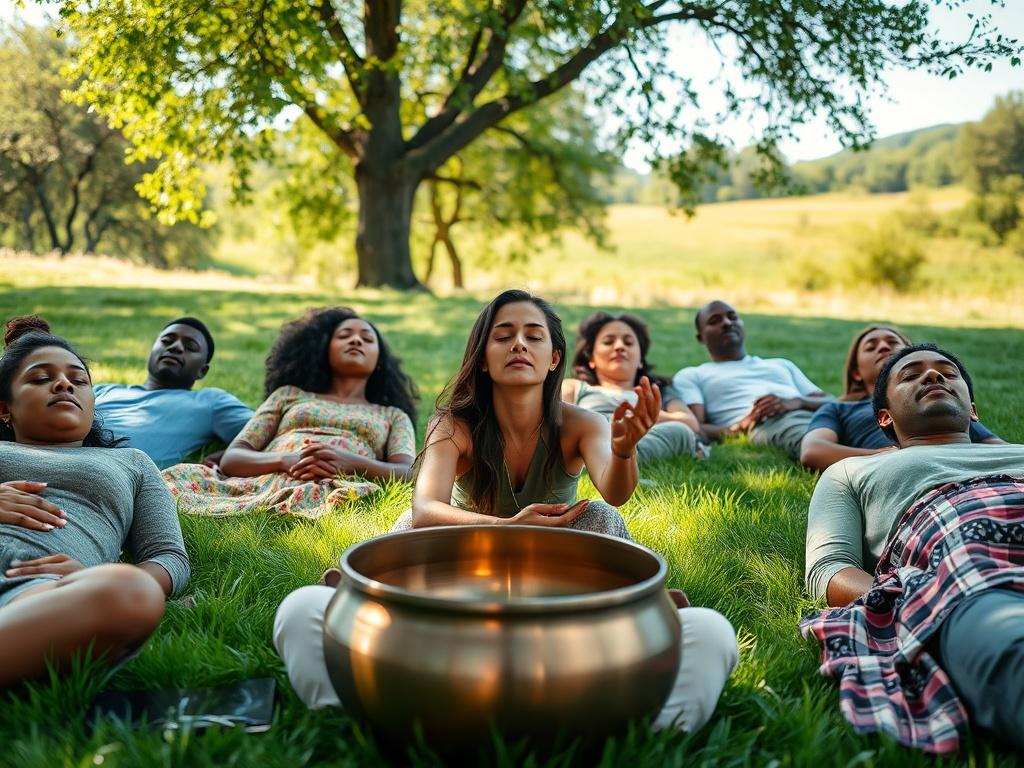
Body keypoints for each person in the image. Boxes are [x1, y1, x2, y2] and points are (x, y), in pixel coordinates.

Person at [273, 291, 738, 735]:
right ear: (482, 356)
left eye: (534, 336)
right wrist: (506, 528)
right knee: (316, 596)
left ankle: (636, 682)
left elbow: (616, 493)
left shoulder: (581, 423)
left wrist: (623, 451)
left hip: (560, 571)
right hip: (459, 565)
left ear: (554, 357)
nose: (519, 343)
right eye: (503, 335)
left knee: (609, 528)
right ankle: (359, 696)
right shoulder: (454, 423)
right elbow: (426, 506)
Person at [801, 343, 1024, 753]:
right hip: (968, 573)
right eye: (911, 375)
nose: (933, 376)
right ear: (885, 416)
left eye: (946, 371)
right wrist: (914, 598)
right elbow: (828, 568)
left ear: (973, 411)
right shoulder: (853, 470)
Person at [0, 317, 190, 687]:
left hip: (40, 590)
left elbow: (170, 558)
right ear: (5, 409)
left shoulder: (131, 463)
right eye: (41, 378)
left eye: (79, 380)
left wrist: (93, 579)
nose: (64, 384)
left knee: (130, 593)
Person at [161, 307, 417, 519]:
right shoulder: (289, 395)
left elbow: (409, 473)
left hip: (341, 484)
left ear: (379, 360)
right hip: (272, 477)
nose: (356, 340)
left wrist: (351, 464)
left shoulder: (392, 415)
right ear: (323, 350)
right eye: (344, 335)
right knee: (170, 480)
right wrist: (288, 460)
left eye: (367, 338)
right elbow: (233, 458)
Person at [799, 325, 1002, 471]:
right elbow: (813, 450)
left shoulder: (938, 399)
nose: (883, 348)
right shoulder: (839, 409)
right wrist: (886, 456)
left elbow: (997, 447)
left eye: (893, 342)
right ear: (856, 373)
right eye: (871, 347)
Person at [674, 300, 830, 461]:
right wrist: (741, 426)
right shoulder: (693, 375)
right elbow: (696, 427)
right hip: (772, 424)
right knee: (818, 445)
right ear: (700, 337)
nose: (727, 323)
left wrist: (798, 401)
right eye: (715, 321)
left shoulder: (780, 364)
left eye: (733, 317)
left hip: (822, 415)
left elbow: (830, 401)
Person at [91, 316, 254, 468]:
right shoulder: (102, 390)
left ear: (202, 371)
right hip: (67, 454)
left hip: (106, 471)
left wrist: (231, 454)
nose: (175, 347)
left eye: (190, 347)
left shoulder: (210, 402)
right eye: (167, 341)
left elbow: (266, 428)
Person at [562, 311, 704, 463]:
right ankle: (615, 460)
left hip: (644, 439)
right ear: (591, 359)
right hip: (597, 435)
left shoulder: (658, 390)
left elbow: (690, 423)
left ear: (640, 360)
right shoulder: (575, 387)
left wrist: (643, 418)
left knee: (681, 432)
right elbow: (556, 420)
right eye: (608, 342)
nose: (619, 346)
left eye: (628, 343)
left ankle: (617, 457)